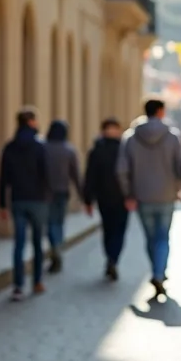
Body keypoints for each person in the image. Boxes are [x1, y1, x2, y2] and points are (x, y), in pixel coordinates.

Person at [117, 97, 181, 298]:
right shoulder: (173, 136)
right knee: (163, 236)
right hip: (166, 194)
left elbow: (121, 169)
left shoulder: (130, 137)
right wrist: (179, 188)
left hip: (141, 195)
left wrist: (128, 193)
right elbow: (180, 165)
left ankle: (156, 270)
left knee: (150, 237)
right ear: (161, 112)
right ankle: (159, 272)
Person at [0, 106, 51, 300]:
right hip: (38, 201)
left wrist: (2, 204)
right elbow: (47, 175)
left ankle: (18, 286)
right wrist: (49, 198)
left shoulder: (10, 147)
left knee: (19, 244)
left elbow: (3, 179)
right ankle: (37, 281)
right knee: (37, 242)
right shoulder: (40, 146)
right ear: (31, 122)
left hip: (18, 200)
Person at [83, 117, 128, 280]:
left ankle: (111, 258)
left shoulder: (98, 150)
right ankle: (113, 258)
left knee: (109, 229)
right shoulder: (124, 149)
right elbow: (90, 176)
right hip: (120, 197)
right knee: (117, 230)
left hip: (107, 197)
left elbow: (89, 176)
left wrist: (88, 199)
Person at [44, 119, 84, 273]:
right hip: (62, 191)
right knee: (59, 222)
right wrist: (82, 195)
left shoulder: (44, 148)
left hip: (46, 192)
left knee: (49, 223)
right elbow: (75, 175)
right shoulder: (69, 150)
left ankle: (54, 246)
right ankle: (58, 247)